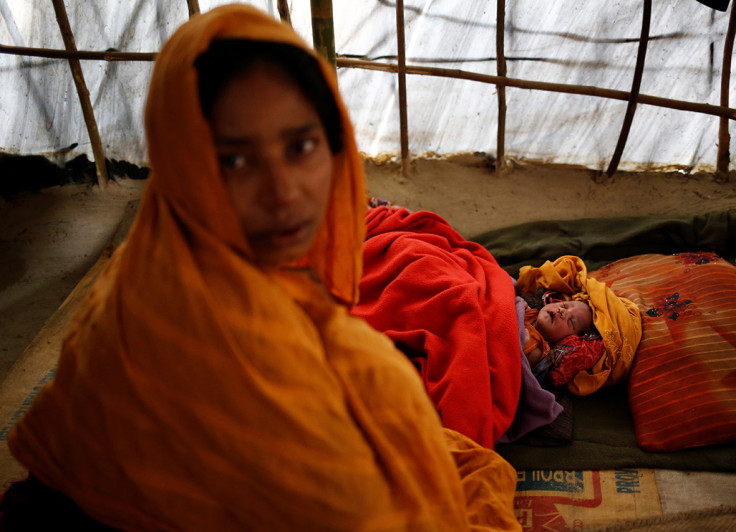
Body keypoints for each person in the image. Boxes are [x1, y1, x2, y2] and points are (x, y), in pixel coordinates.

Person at [1, 5, 520, 531]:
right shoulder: (146, 326)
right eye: (234, 159)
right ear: (183, 162)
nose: (283, 193)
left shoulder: (127, 288)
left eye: (300, 146)